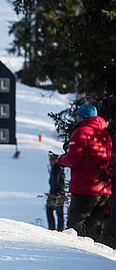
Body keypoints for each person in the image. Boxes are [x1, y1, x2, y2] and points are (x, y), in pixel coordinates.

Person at [58, 103, 112, 242]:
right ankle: (93, 260)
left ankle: (75, 259)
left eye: (77, 115)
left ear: (81, 117)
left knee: (74, 229)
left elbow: (73, 159)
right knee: (94, 230)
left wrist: (61, 159)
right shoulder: (105, 134)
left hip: (85, 188)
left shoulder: (81, 132)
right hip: (103, 189)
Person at [46, 152, 66, 231]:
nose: (50, 162)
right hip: (55, 193)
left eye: (52, 160)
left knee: (55, 212)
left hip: (56, 193)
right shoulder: (57, 168)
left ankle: (55, 230)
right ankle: (56, 229)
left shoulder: (56, 168)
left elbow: (57, 182)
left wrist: (58, 193)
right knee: (55, 212)